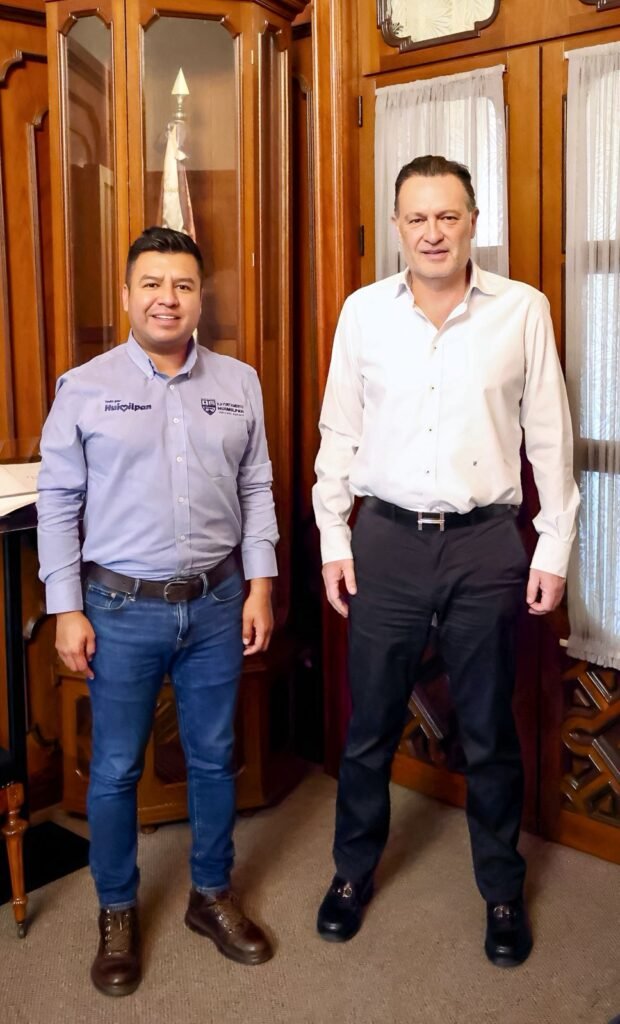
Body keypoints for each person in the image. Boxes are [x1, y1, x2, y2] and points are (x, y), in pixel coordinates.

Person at [312, 155, 579, 967]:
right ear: (398, 225)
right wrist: (333, 539)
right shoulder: (363, 313)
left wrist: (553, 547)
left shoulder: (522, 310)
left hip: (485, 543)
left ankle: (501, 890)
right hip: (385, 540)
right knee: (369, 726)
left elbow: (550, 438)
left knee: (490, 729)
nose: (433, 232)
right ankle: (351, 874)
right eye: (418, 217)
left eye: (448, 216)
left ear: (472, 222)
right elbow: (339, 434)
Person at [37, 226, 279, 996]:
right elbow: (57, 501)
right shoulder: (83, 387)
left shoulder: (239, 382)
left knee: (214, 756)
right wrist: (65, 607)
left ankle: (210, 894)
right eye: (151, 284)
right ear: (127, 295)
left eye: (181, 285)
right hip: (118, 608)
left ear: (200, 297)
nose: (166, 299)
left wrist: (261, 584)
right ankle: (116, 910)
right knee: (114, 768)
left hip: (218, 603)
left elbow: (257, 487)